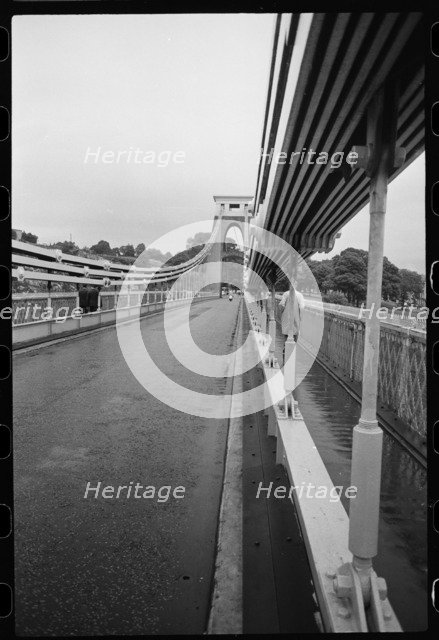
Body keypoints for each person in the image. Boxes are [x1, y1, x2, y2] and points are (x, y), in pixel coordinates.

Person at [278, 282, 305, 366]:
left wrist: (282, 313)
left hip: (286, 320)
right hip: (295, 320)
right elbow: (302, 307)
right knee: (295, 338)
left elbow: (281, 305)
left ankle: (285, 355)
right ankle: (291, 357)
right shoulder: (299, 295)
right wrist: (300, 318)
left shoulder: (286, 294)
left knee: (286, 338)